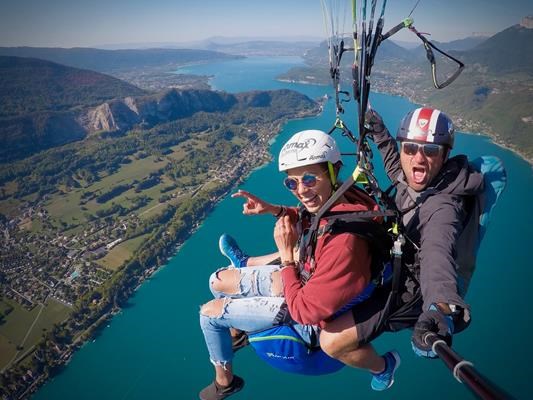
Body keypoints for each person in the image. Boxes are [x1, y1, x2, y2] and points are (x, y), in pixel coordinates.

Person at [198, 129, 400, 400]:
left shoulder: (344, 245)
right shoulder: (346, 196)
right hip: (310, 280)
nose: (301, 190)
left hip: (309, 314)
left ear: (332, 170)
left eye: (308, 179)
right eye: (292, 183)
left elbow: (304, 311)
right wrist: (276, 210)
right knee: (217, 280)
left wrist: (286, 256)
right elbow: (314, 216)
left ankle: (225, 382)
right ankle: (236, 334)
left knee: (209, 315)